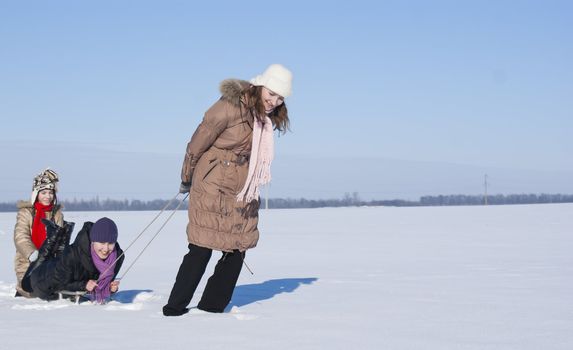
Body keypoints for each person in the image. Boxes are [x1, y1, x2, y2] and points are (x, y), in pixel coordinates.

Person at [163, 64, 293, 316]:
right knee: (202, 244)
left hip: (244, 187)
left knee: (238, 246)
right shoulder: (230, 106)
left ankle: (212, 308)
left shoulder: (263, 119)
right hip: (213, 182)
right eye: (271, 93)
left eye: (280, 98)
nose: (274, 101)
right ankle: (174, 308)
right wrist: (187, 178)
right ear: (260, 85)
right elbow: (197, 143)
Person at [21, 217, 125, 303]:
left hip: (63, 267)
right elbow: (59, 285)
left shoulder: (117, 258)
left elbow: (98, 285)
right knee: (28, 282)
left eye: (110, 243)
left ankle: (64, 231)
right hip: (45, 282)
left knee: (61, 255)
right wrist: (83, 285)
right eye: (102, 243)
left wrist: (110, 288)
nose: (106, 249)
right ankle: (53, 235)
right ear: (93, 241)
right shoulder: (73, 255)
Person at [13, 168, 64, 298]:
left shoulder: (56, 214)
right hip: (27, 263)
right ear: (36, 193)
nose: (48, 196)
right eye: (44, 192)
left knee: (53, 291)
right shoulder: (27, 213)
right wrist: (32, 254)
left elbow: (60, 239)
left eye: (51, 193)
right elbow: (21, 236)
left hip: (49, 263)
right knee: (33, 292)